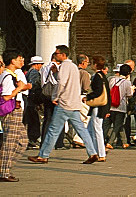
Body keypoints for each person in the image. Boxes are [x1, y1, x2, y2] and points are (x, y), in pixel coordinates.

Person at [29, 44, 100, 165]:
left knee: (53, 130)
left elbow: (61, 83)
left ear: (62, 54)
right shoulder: (72, 66)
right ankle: (92, 153)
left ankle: (43, 155)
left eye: (57, 53)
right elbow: (67, 81)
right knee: (81, 130)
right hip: (73, 102)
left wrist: (55, 96)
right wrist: (56, 73)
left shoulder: (65, 66)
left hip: (64, 103)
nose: (55, 55)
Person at [1, 49, 32, 182]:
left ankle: (5, 167)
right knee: (10, 142)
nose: (22, 61)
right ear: (12, 61)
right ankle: (3, 171)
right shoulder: (8, 76)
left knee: (22, 141)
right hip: (12, 111)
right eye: (19, 59)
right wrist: (20, 88)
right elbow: (6, 96)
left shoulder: (11, 75)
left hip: (16, 111)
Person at [85, 56, 111, 162]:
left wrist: (88, 97)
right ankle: (95, 151)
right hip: (102, 106)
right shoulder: (102, 76)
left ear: (95, 65)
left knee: (97, 130)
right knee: (91, 129)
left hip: (98, 107)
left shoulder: (97, 76)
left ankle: (101, 153)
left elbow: (98, 92)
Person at [106, 63, 134, 149]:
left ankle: (124, 142)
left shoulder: (112, 79)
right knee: (117, 125)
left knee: (117, 124)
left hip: (110, 106)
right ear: (128, 73)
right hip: (120, 107)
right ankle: (110, 142)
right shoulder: (127, 82)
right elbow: (129, 95)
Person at [22, 55, 43, 148]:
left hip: (29, 99)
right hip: (32, 100)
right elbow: (33, 86)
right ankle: (32, 140)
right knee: (34, 120)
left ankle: (31, 139)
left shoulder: (29, 72)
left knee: (31, 120)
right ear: (37, 64)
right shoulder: (34, 72)